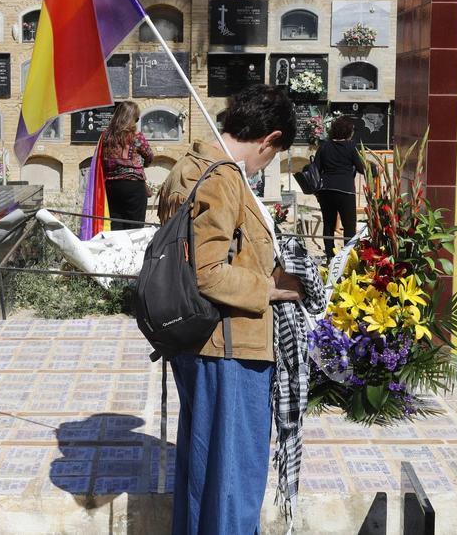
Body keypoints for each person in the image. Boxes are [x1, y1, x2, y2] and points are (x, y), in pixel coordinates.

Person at [155, 84, 301, 535]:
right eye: (272, 156)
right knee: (234, 482)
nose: (266, 166)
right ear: (268, 139)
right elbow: (206, 272)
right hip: (230, 352)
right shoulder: (221, 178)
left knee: (207, 478)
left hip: (209, 346)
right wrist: (272, 288)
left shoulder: (192, 168)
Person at [315, 115, 364, 259]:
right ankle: (347, 257)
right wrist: (376, 170)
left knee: (328, 224)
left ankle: (330, 254)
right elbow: (362, 168)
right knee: (349, 225)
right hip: (345, 191)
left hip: (326, 191)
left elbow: (316, 168)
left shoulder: (324, 146)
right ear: (348, 132)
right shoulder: (351, 147)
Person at [100, 101, 153, 230]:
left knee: (116, 224)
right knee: (135, 226)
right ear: (132, 118)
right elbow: (149, 155)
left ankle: (117, 250)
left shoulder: (105, 136)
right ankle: (132, 250)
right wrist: (144, 164)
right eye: (136, 118)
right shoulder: (136, 136)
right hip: (133, 186)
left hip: (111, 186)